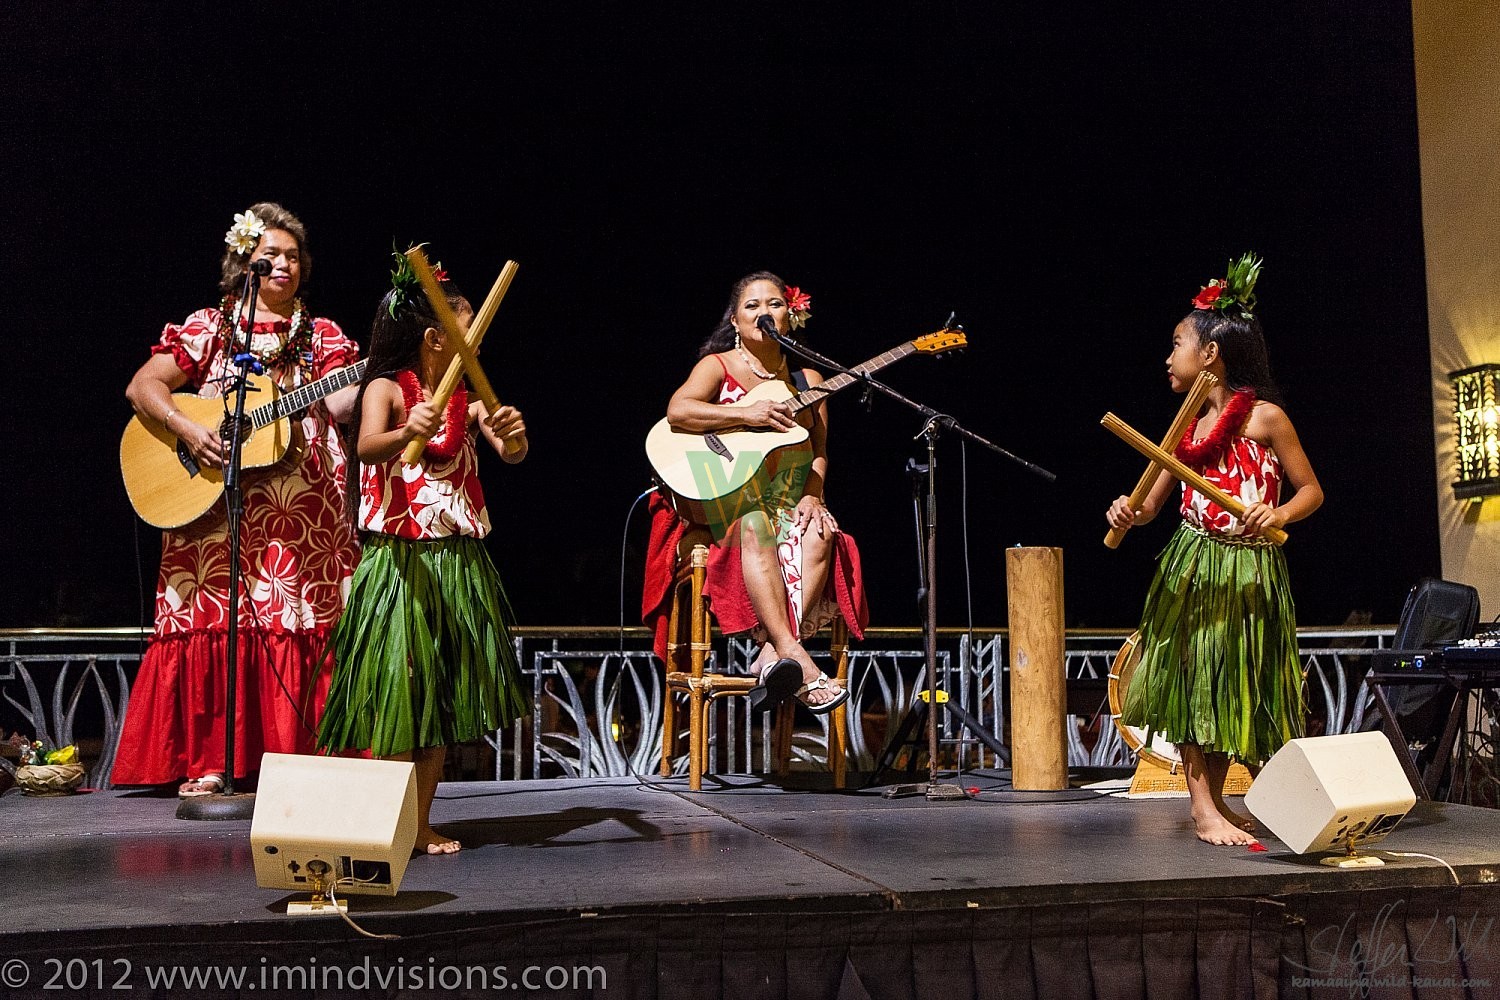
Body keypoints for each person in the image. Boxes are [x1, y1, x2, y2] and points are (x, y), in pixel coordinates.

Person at [115, 203, 361, 797]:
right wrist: (188, 426)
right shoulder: (210, 327)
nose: (284, 264)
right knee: (218, 619)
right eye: (271, 254)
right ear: (242, 263)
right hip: (213, 506)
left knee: (298, 617)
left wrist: (374, 377)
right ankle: (210, 758)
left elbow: (343, 405)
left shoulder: (321, 334)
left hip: (303, 513)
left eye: (294, 256)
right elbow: (142, 386)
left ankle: (302, 754)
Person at [1106, 253, 1323, 846]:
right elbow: (1148, 506)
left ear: (1210, 354)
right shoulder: (1182, 427)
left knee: (1233, 679)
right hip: (1194, 562)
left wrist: (1275, 513)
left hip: (1252, 566)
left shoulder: (1266, 419)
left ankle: (1220, 798)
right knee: (1192, 676)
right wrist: (1127, 509)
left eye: (1177, 343)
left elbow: (1311, 491)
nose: (1168, 355)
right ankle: (1202, 807)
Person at [317, 250, 528, 855]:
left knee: (439, 693)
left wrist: (513, 438)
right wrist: (409, 429)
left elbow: (510, 452)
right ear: (436, 336)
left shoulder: (471, 395)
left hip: (457, 559)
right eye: (469, 327)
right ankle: (387, 822)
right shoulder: (387, 386)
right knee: (400, 689)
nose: (478, 338)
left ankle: (420, 822)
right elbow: (366, 447)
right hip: (400, 560)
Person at [643, 271, 867, 715]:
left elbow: (818, 452)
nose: (764, 312)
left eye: (775, 304)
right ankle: (797, 656)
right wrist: (748, 413)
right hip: (719, 503)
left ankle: (773, 654)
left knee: (822, 532)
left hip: (786, 500)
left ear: (790, 316)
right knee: (754, 524)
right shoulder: (718, 366)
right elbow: (678, 411)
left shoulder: (808, 381)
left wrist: (812, 497)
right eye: (752, 305)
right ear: (736, 320)